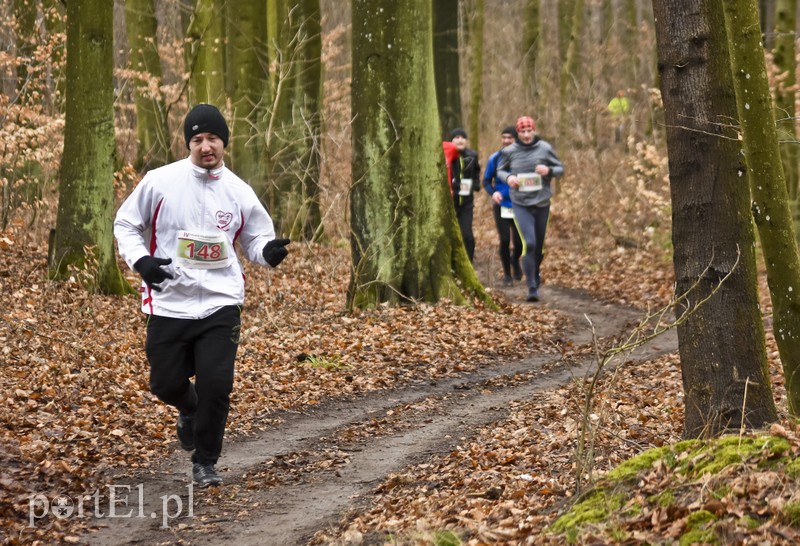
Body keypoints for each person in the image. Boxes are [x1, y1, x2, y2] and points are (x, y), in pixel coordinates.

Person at [113, 104, 291, 488]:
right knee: (164, 383)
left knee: (216, 384)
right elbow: (126, 223)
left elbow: (255, 238)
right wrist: (141, 261)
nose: (205, 147)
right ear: (188, 144)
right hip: (168, 299)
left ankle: (206, 461)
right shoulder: (160, 182)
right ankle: (188, 408)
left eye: (212, 139)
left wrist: (267, 253)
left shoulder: (239, 191)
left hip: (220, 301)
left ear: (224, 142)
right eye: (197, 139)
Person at [497, 116, 564, 302]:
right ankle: (532, 286)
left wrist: (549, 171)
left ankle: (535, 270)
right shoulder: (510, 151)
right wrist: (509, 178)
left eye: (529, 131)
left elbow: (560, 168)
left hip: (542, 202)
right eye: (522, 132)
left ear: (534, 130)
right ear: (518, 133)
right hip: (521, 203)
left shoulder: (545, 148)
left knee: (539, 247)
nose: (526, 135)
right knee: (530, 243)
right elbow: (500, 171)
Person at [483, 125, 523, 286]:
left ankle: (515, 261)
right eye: (504, 137)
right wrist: (493, 193)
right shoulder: (495, 158)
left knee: (520, 243)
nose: (506, 141)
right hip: (501, 205)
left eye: (510, 138)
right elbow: (486, 181)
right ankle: (507, 274)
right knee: (505, 239)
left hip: (519, 205)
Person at [447, 128, 481, 261]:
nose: (460, 140)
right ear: (451, 141)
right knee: (449, 235)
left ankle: (468, 263)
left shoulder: (472, 155)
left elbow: (476, 173)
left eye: (462, 137)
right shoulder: (445, 155)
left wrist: (475, 184)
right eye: (456, 137)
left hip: (466, 202)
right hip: (450, 202)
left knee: (467, 236)